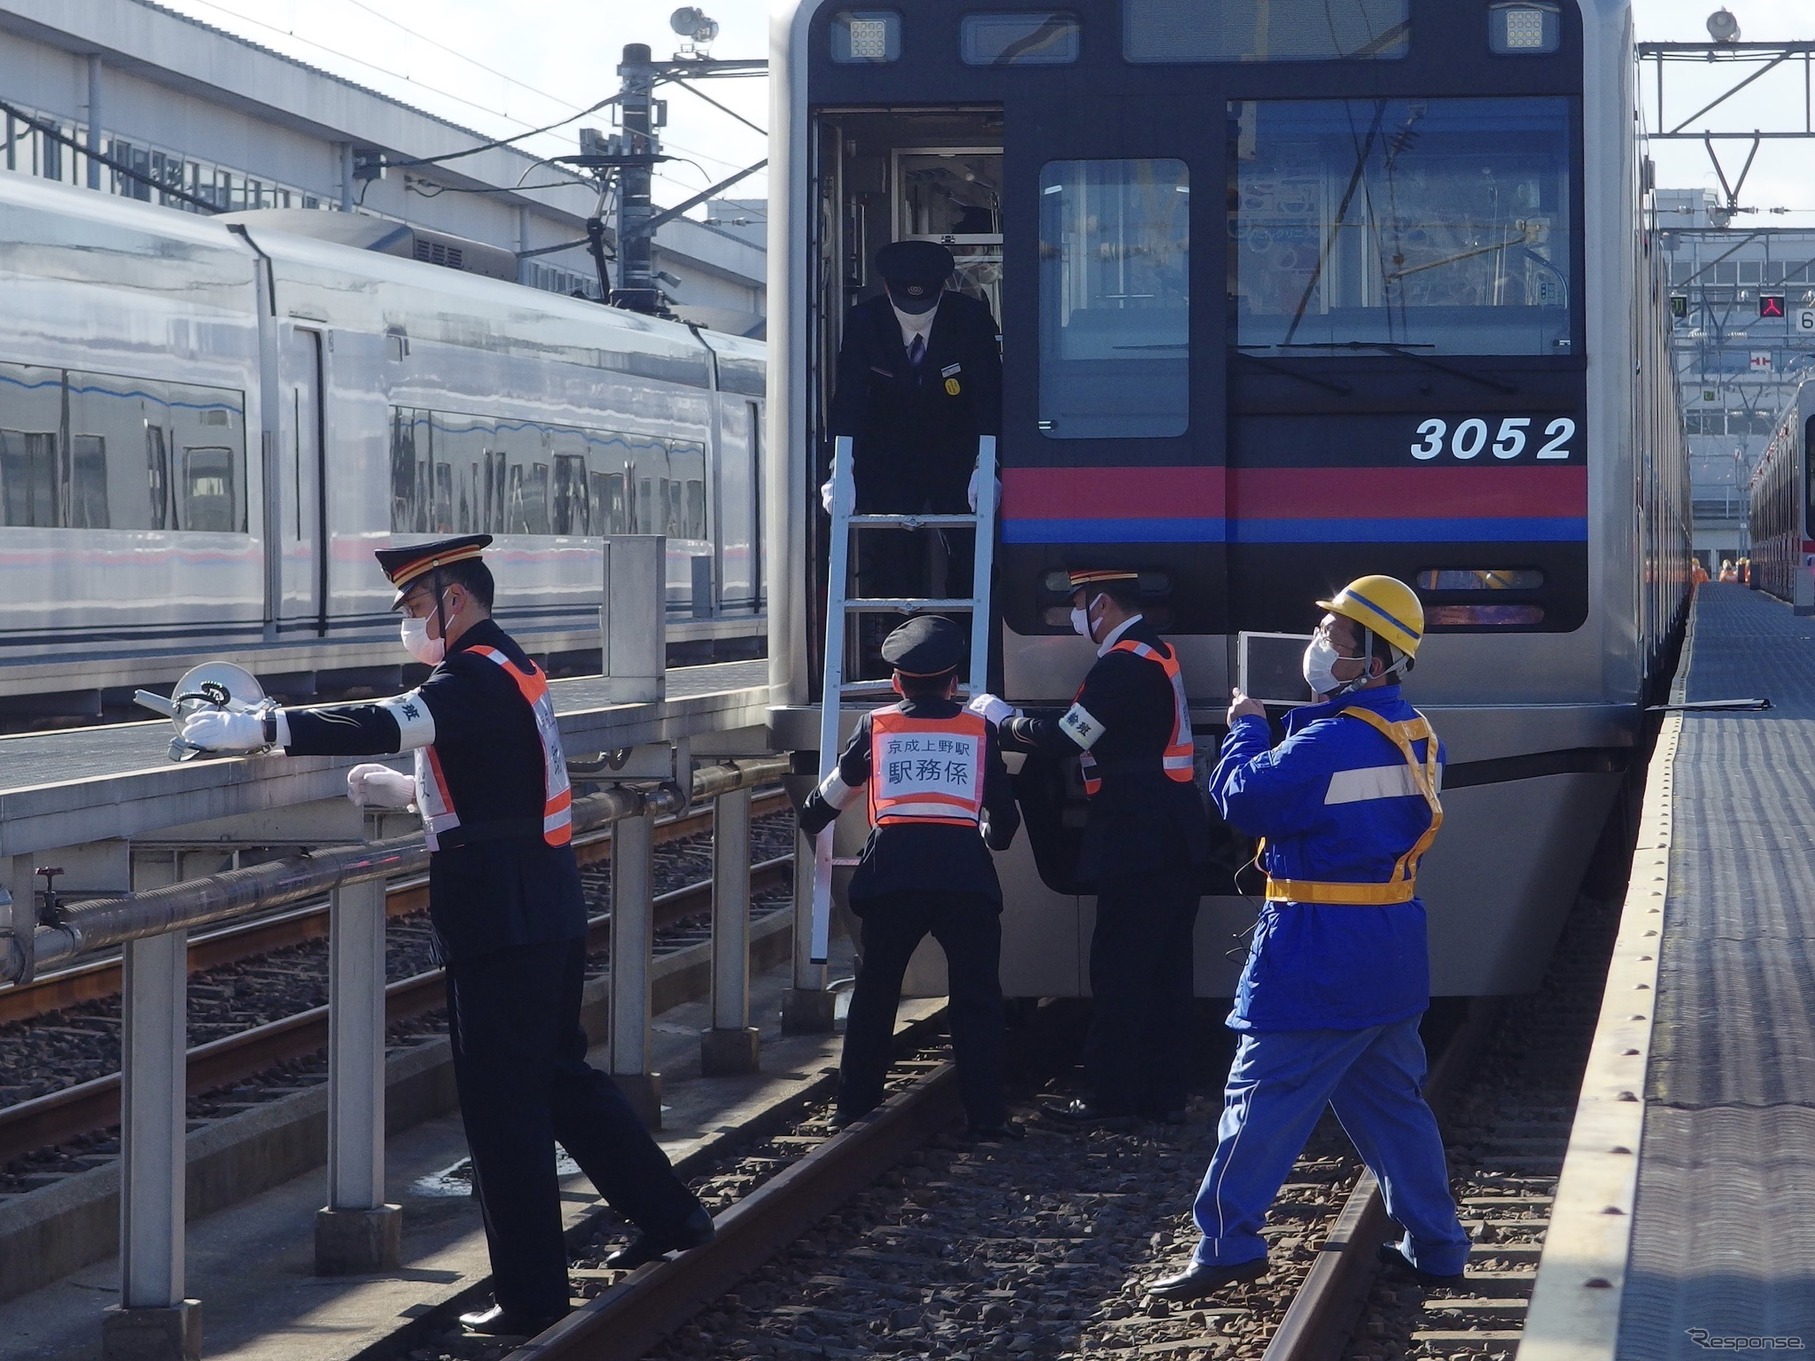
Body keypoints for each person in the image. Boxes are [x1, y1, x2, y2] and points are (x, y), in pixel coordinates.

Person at [180, 534, 713, 1337]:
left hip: (498, 915)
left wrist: (266, 728)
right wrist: (418, 795)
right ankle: (671, 1216)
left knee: (504, 1109)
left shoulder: (468, 674)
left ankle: (532, 1296)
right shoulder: (511, 666)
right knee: (561, 1077)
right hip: (542, 901)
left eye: (414, 607)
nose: (409, 623)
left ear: (452, 599)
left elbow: (385, 720)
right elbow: (498, 769)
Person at [1146, 575, 1469, 1302]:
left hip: (1314, 952)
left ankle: (1227, 1241)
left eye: (1339, 638)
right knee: (1393, 1108)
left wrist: (1245, 727)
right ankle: (1438, 1245)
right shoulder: (1413, 731)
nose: (1321, 646)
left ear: (1374, 661)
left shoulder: (1327, 739)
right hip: (1387, 948)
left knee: (1258, 1096)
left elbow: (1242, 799)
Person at [970, 568, 1210, 1128]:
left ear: (1101, 604)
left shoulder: (1123, 664)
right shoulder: (1154, 652)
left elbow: (1066, 737)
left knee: (1120, 969)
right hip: (1171, 834)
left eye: (1078, 604)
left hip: (1139, 838)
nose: (1076, 616)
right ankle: (1164, 1095)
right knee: (1167, 970)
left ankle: (1112, 1097)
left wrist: (1003, 721)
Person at [797, 615, 1023, 1139]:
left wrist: (812, 812)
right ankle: (986, 1116)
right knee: (976, 996)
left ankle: (853, 1108)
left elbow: (827, 800)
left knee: (876, 992)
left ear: (897, 682)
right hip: (965, 880)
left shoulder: (876, 726)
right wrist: (983, 838)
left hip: (892, 876)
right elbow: (1005, 820)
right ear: (954, 682)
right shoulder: (977, 729)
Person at [826, 239, 1003, 606]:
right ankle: (903, 643)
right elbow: (850, 399)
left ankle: (966, 646)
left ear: (942, 288)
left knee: (972, 557)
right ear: (888, 288)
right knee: (894, 559)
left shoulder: (970, 320)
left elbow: (989, 397)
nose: (916, 312)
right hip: (888, 459)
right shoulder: (866, 323)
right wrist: (840, 468)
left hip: (957, 455)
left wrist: (987, 464)